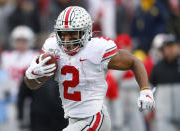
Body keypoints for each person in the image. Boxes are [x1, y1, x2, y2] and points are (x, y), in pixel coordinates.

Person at [24, 6, 155, 131]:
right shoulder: (52, 47)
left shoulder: (97, 49)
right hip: (73, 119)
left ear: (86, 32)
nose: (67, 40)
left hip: (94, 118)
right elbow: (32, 85)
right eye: (63, 34)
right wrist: (31, 75)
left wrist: (145, 90)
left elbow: (134, 61)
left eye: (73, 35)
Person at [150, 34, 180, 131]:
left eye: (173, 46)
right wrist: (147, 110)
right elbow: (150, 88)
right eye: (167, 47)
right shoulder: (158, 68)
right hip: (164, 115)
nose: (170, 49)